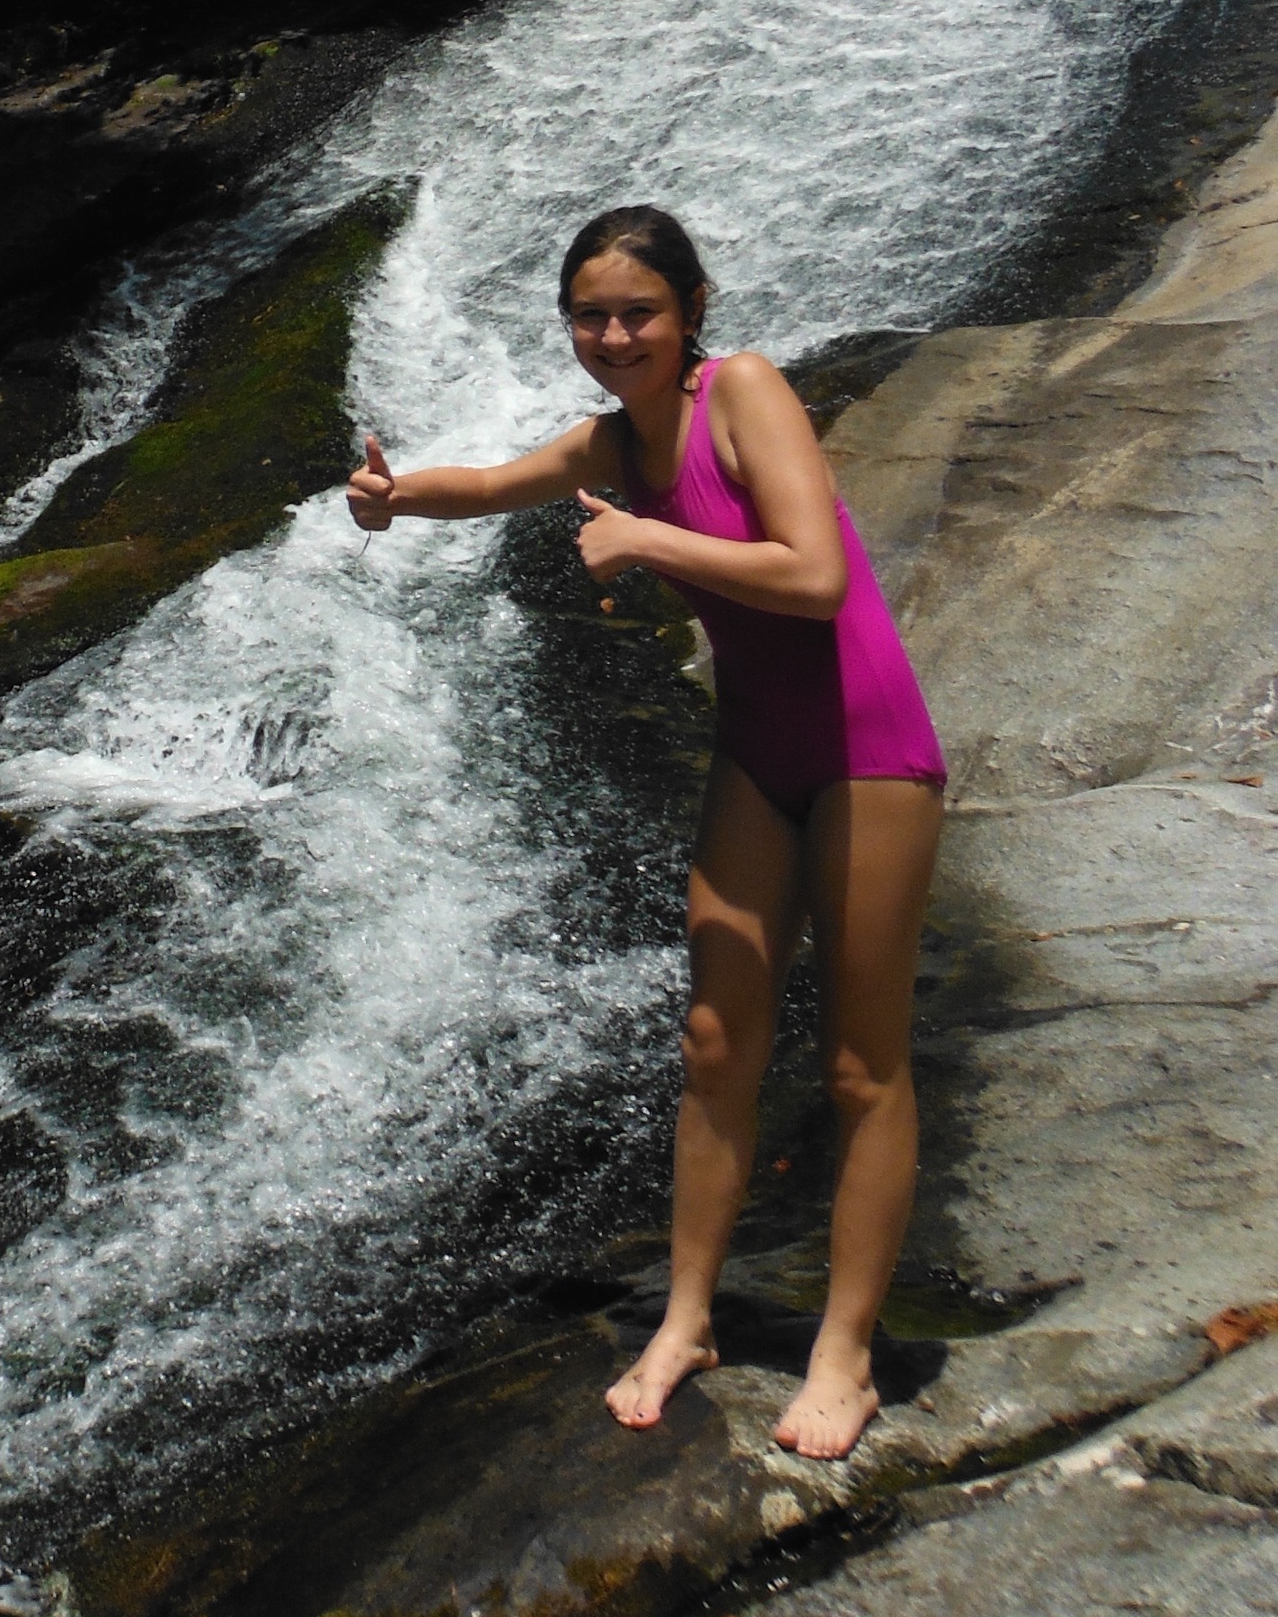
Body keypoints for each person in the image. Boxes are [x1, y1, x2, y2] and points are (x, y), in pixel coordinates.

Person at [345, 204, 944, 1462]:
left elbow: (815, 574)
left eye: (638, 313)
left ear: (688, 314)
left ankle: (845, 1355)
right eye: (590, 316)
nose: (613, 336)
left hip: (865, 753)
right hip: (759, 755)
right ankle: (685, 1321)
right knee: (716, 1037)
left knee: (857, 1065)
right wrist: (391, 498)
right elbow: (500, 484)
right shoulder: (614, 444)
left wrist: (644, 537)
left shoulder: (747, 395)